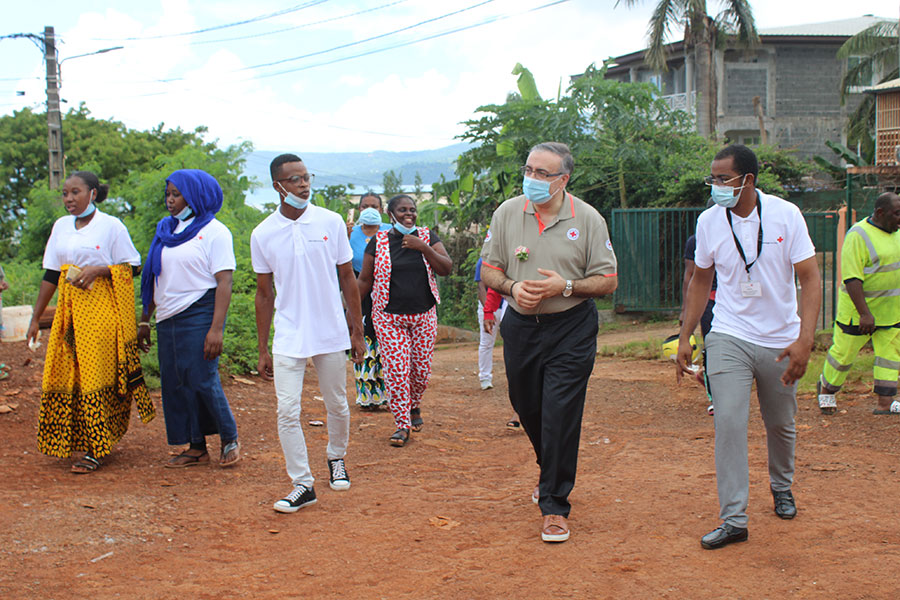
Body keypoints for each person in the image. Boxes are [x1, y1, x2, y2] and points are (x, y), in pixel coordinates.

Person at [676, 144, 821, 550]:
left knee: (780, 423)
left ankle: (781, 485)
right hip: (729, 333)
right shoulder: (708, 222)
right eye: (713, 178)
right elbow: (701, 281)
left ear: (748, 180)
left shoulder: (785, 215)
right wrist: (687, 335)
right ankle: (734, 518)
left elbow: (810, 278)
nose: (716, 186)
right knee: (729, 421)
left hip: (780, 339)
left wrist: (804, 339)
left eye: (724, 179)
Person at [480, 142, 618, 543]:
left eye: (543, 173)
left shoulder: (588, 219)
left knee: (560, 412)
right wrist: (511, 286)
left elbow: (608, 281)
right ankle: (550, 466)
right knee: (526, 406)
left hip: (571, 327)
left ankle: (555, 506)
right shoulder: (508, 212)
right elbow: (489, 268)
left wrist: (568, 285)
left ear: (563, 180)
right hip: (521, 327)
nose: (533, 179)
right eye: (529, 170)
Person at [252, 153, 365, 513]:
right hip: (288, 335)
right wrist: (262, 348)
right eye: (295, 179)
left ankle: (336, 457)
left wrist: (357, 330)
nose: (304, 184)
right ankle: (302, 483)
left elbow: (348, 278)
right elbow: (264, 293)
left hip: (330, 331)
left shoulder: (329, 222)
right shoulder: (263, 233)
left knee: (337, 405)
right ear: (278, 187)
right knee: (286, 411)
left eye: (306, 177)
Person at [26, 171, 154, 473]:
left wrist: (101, 270)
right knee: (68, 374)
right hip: (68, 315)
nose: (69, 199)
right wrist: (35, 317)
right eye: (65, 194)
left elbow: (133, 267)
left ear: (93, 193)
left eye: (76, 192)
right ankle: (71, 439)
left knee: (95, 377)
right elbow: (51, 274)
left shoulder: (111, 227)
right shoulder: (60, 227)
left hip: (100, 315)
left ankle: (98, 446)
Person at [138, 169, 240, 468]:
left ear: (195, 195)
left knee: (203, 378)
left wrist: (216, 329)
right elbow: (155, 278)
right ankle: (196, 447)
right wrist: (146, 319)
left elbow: (224, 282)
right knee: (177, 382)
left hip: (200, 311)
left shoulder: (214, 232)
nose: (170, 200)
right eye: (168, 194)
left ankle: (229, 437)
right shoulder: (165, 231)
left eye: (176, 194)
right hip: (168, 316)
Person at [357, 194, 453, 447]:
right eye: (402, 210)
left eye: (412, 209)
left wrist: (423, 247)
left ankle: (414, 405)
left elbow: (445, 267)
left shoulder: (427, 236)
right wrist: (350, 310)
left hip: (423, 315)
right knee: (397, 371)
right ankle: (402, 424)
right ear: (391, 214)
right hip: (388, 317)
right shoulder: (378, 242)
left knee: (420, 372)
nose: (408, 214)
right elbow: (365, 280)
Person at [817, 192, 900, 415]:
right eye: (897, 214)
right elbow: (852, 278)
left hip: (890, 312)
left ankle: (885, 402)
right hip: (859, 312)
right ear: (880, 213)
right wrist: (865, 314)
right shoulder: (858, 236)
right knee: (843, 355)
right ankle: (827, 390)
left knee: (889, 357)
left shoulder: (897, 233)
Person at [348, 192, 391, 410]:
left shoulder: (390, 232)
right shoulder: (350, 233)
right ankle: (368, 396)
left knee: (388, 342)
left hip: (387, 292)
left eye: (374, 206)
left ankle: (392, 395)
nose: (369, 209)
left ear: (382, 210)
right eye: (365, 206)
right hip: (360, 293)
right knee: (364, 337)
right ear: (359, 209)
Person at [681, 229, 717, 416]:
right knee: (711, 347)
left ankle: (704, 374)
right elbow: (690, 276)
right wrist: (685, 310)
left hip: (735, 301)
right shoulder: (696, 240)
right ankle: (714, 398)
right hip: (709, 300)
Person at [475, 257, 506, 391]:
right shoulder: (483, 261)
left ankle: (515, 378)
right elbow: (481, 287)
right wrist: (489, 310)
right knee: (486, 341)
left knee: (513, 342)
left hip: (507, 304)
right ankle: (485, 377)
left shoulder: (509, 256)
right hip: (487, 305)